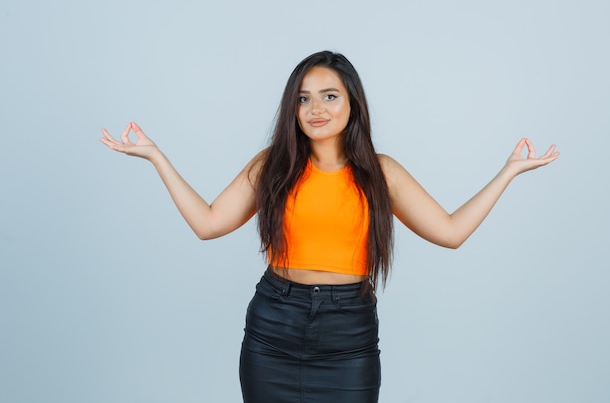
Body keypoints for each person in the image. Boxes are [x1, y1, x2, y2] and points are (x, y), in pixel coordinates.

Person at [99, 50, 559, 403]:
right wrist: (157, 157)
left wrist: (508, 172)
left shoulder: (382, 173)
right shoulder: (272, 166)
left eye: (329, 95)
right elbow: (208, 223)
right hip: (273, 329)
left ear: (352, 103)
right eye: (303, 98)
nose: (315, 108)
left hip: (348, 338)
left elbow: (451, 232)